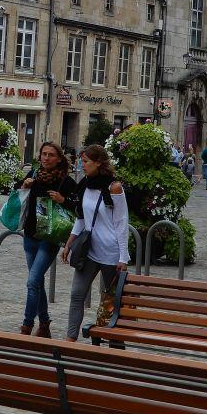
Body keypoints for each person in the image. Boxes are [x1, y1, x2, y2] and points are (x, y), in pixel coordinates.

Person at [59, 144, 128, 342]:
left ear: (98, 163)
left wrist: (123, 257)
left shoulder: (113, 187)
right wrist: (69, 243)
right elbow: (81, 218)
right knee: (77, 294)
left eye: (86, 161)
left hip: (111, 252)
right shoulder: (85, 185)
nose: (83, 165)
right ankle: (70, 339)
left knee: (111, 301)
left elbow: (121, 222)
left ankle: (113, 341)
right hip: (89, 250)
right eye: (82, 161)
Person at [14, 142, 78, 338]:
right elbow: (17, 191)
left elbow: (79, 207)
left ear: (59, 158)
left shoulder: (65, 182)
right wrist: (23, 185)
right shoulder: (33, 175)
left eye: (51, 155)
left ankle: (26, 326)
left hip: (49, 239)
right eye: (43, 154)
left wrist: (62, 200)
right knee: (37, 282)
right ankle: (44, 323)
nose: (46, 158)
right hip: (30, 235)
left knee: (33, 281)